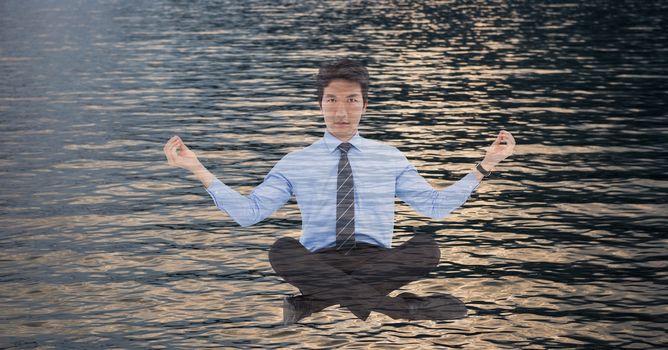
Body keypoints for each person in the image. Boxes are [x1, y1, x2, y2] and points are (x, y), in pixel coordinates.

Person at [163, 58, 516, 325]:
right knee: (282, 249)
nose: (341, 111)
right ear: (320, 105)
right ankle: (404, 309)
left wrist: (486, 164)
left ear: (365, 105)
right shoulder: (296, 161)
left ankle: (310, 304)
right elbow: (249, 213)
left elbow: (435, 207)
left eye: (351, 100)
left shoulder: (389, 156)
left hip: (377, 260)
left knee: (427, 247)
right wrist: (197, 168)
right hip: (321, 261)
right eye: (331, 100)